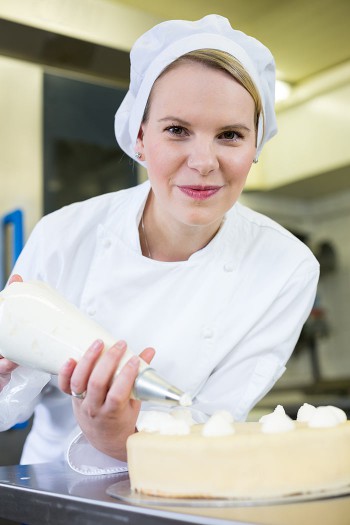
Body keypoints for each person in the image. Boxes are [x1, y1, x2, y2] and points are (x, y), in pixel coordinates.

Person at [0, 14, 319, 474]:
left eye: (230, 135)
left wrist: (121, 440)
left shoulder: (285, 268)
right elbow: (11, 405)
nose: (204, 162)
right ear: (140, 137)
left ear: (256, 147)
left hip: (182, 498)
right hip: (49, 493)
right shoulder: (65, 234)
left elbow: (214, 429)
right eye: (177, 130)